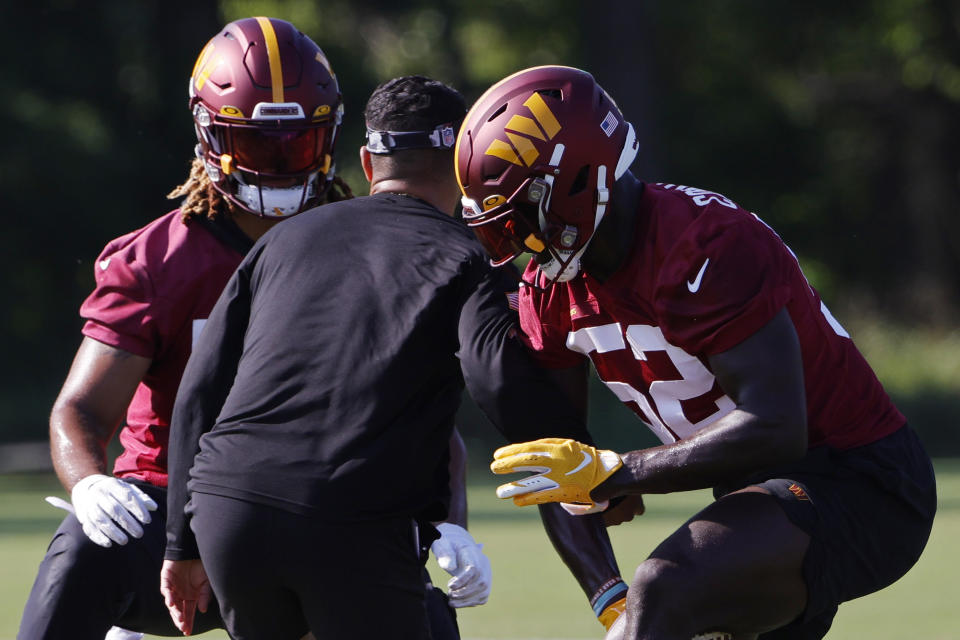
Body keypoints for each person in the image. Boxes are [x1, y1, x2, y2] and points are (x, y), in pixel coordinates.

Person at [454, 65, 937, 640]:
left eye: (521, 217)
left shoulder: (703, 246)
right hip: (757, 499)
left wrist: (619, 473)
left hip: (860, 482)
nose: (516, 246)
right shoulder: (552, 288)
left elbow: (776, 427)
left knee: (665, 585)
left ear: (579, 181)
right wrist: (608, 599)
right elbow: (561, 463)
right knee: (660, 602)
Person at [158, 74, 595, 640]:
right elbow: (499, 382)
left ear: (367, 162)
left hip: (229, 507)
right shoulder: (465, 255)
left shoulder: (282, 239)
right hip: (349, 514)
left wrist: (179, 542)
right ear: (466, 165)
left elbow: (200, 389)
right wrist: (588, 468)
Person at [17, 16, 352, 640]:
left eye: (296, 145)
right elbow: (81, 411)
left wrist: (447, 519)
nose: (279, 167)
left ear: (327, 138)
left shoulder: (362, 248)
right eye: (257, 145)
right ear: (209, 139)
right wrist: (91, 484)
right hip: (177, 511)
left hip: (311, 513)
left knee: (424, 614)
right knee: (84, 551)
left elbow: (417, 402)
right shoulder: (158, 261)